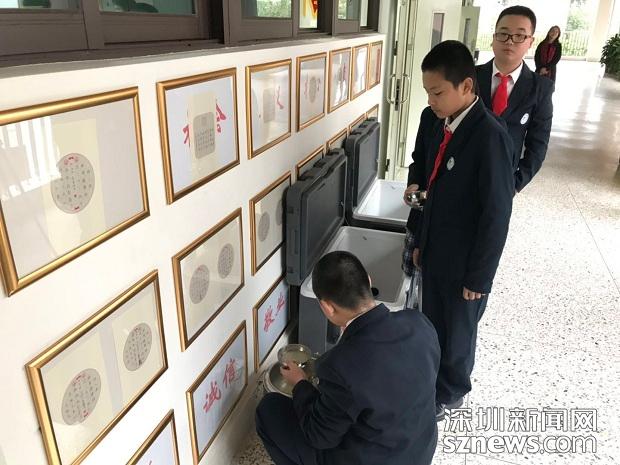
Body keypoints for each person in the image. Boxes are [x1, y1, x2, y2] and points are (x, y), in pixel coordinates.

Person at [407, 40, 514, 420]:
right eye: (427, 92)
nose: (431, 101)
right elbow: (428, 179)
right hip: (436, 248)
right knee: (434, 320)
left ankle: (451, 392)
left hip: (466, 262)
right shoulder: (440, 123)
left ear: (466, 86)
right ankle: (432, 381)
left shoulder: (489, 137)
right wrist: (420, 242)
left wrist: (479, 277)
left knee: (459, 331)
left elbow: (496, 215)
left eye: (438, 92)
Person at [256, 251, 440, 465]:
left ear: (327, 307)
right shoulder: (419, 323)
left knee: (269, 409)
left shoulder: (338, 366)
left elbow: (319, 436)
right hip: (419, 452)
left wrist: (300, 384)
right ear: (369, 281)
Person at [476, 5, 554, 193]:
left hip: (503, 181)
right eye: (503, 34)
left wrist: (515, 184)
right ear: (494, 37)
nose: (509, 41)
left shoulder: (540, 88)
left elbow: (538, 144)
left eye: (519, 35)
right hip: (460, 175)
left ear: (530, 42)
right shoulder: (470, 77)